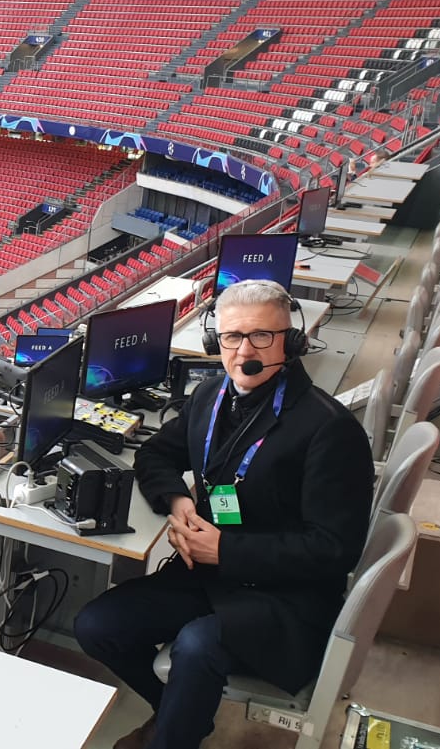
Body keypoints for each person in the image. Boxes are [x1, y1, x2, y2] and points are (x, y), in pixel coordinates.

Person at [74, 279, 373, 749]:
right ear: (216, 342)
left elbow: (335, 549)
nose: (243, 349)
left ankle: (173, 737)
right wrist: (178, 502)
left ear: (291, 343)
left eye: (261, 336)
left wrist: (224, 548)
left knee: (196, 647)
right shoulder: (212, 396)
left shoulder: (330, 429)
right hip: (211, 576)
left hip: (286, 599)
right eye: (232, 337)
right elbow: (154, 454)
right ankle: (176, 711)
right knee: (97, 627)